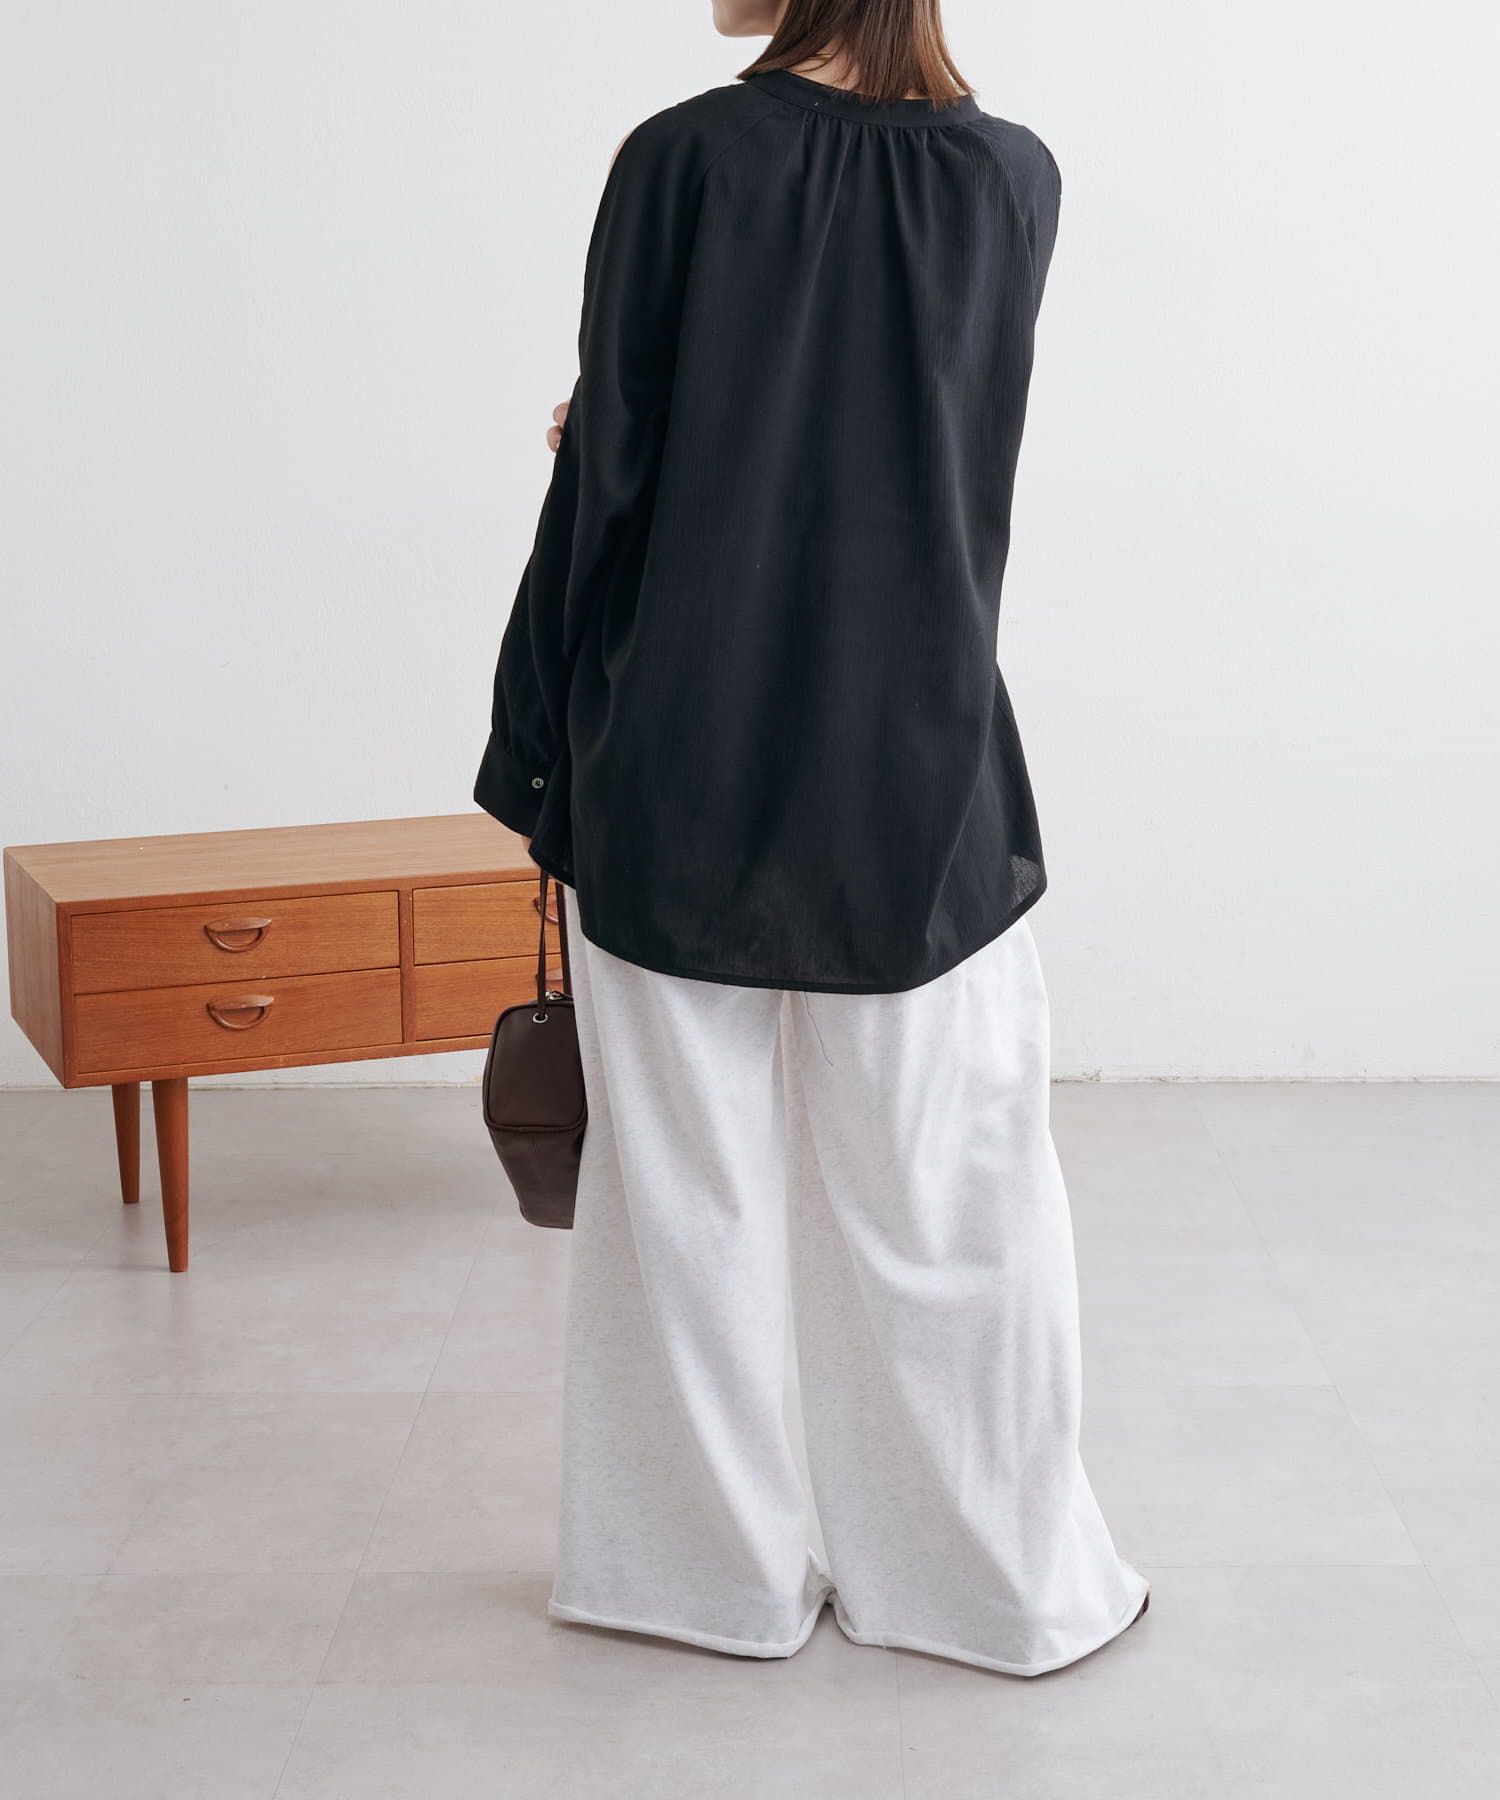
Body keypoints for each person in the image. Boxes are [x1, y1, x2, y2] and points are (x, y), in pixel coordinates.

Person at [473, 0, 1150, 1675]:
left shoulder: (682, 158)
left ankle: (696, 1583)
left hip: (678, 746)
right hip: (912, 762)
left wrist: (535, 744)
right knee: (954, 1195)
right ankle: (997, 1588)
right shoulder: (1014, 177)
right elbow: (927, 453)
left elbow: (617, 479)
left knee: (684, 1200)